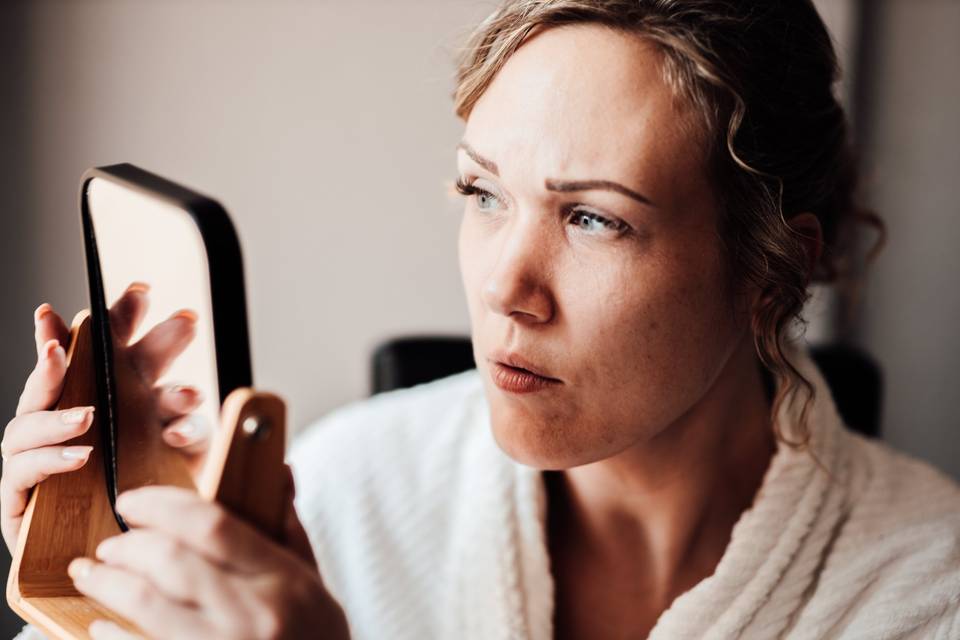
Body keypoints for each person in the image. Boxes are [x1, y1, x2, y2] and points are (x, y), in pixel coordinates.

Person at [5, 1, 960, 638]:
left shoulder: (926, 589)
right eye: (483, 191)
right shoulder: (346, 490)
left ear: (771, 267)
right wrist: (79, 578)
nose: (508, 287)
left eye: (594, 218)